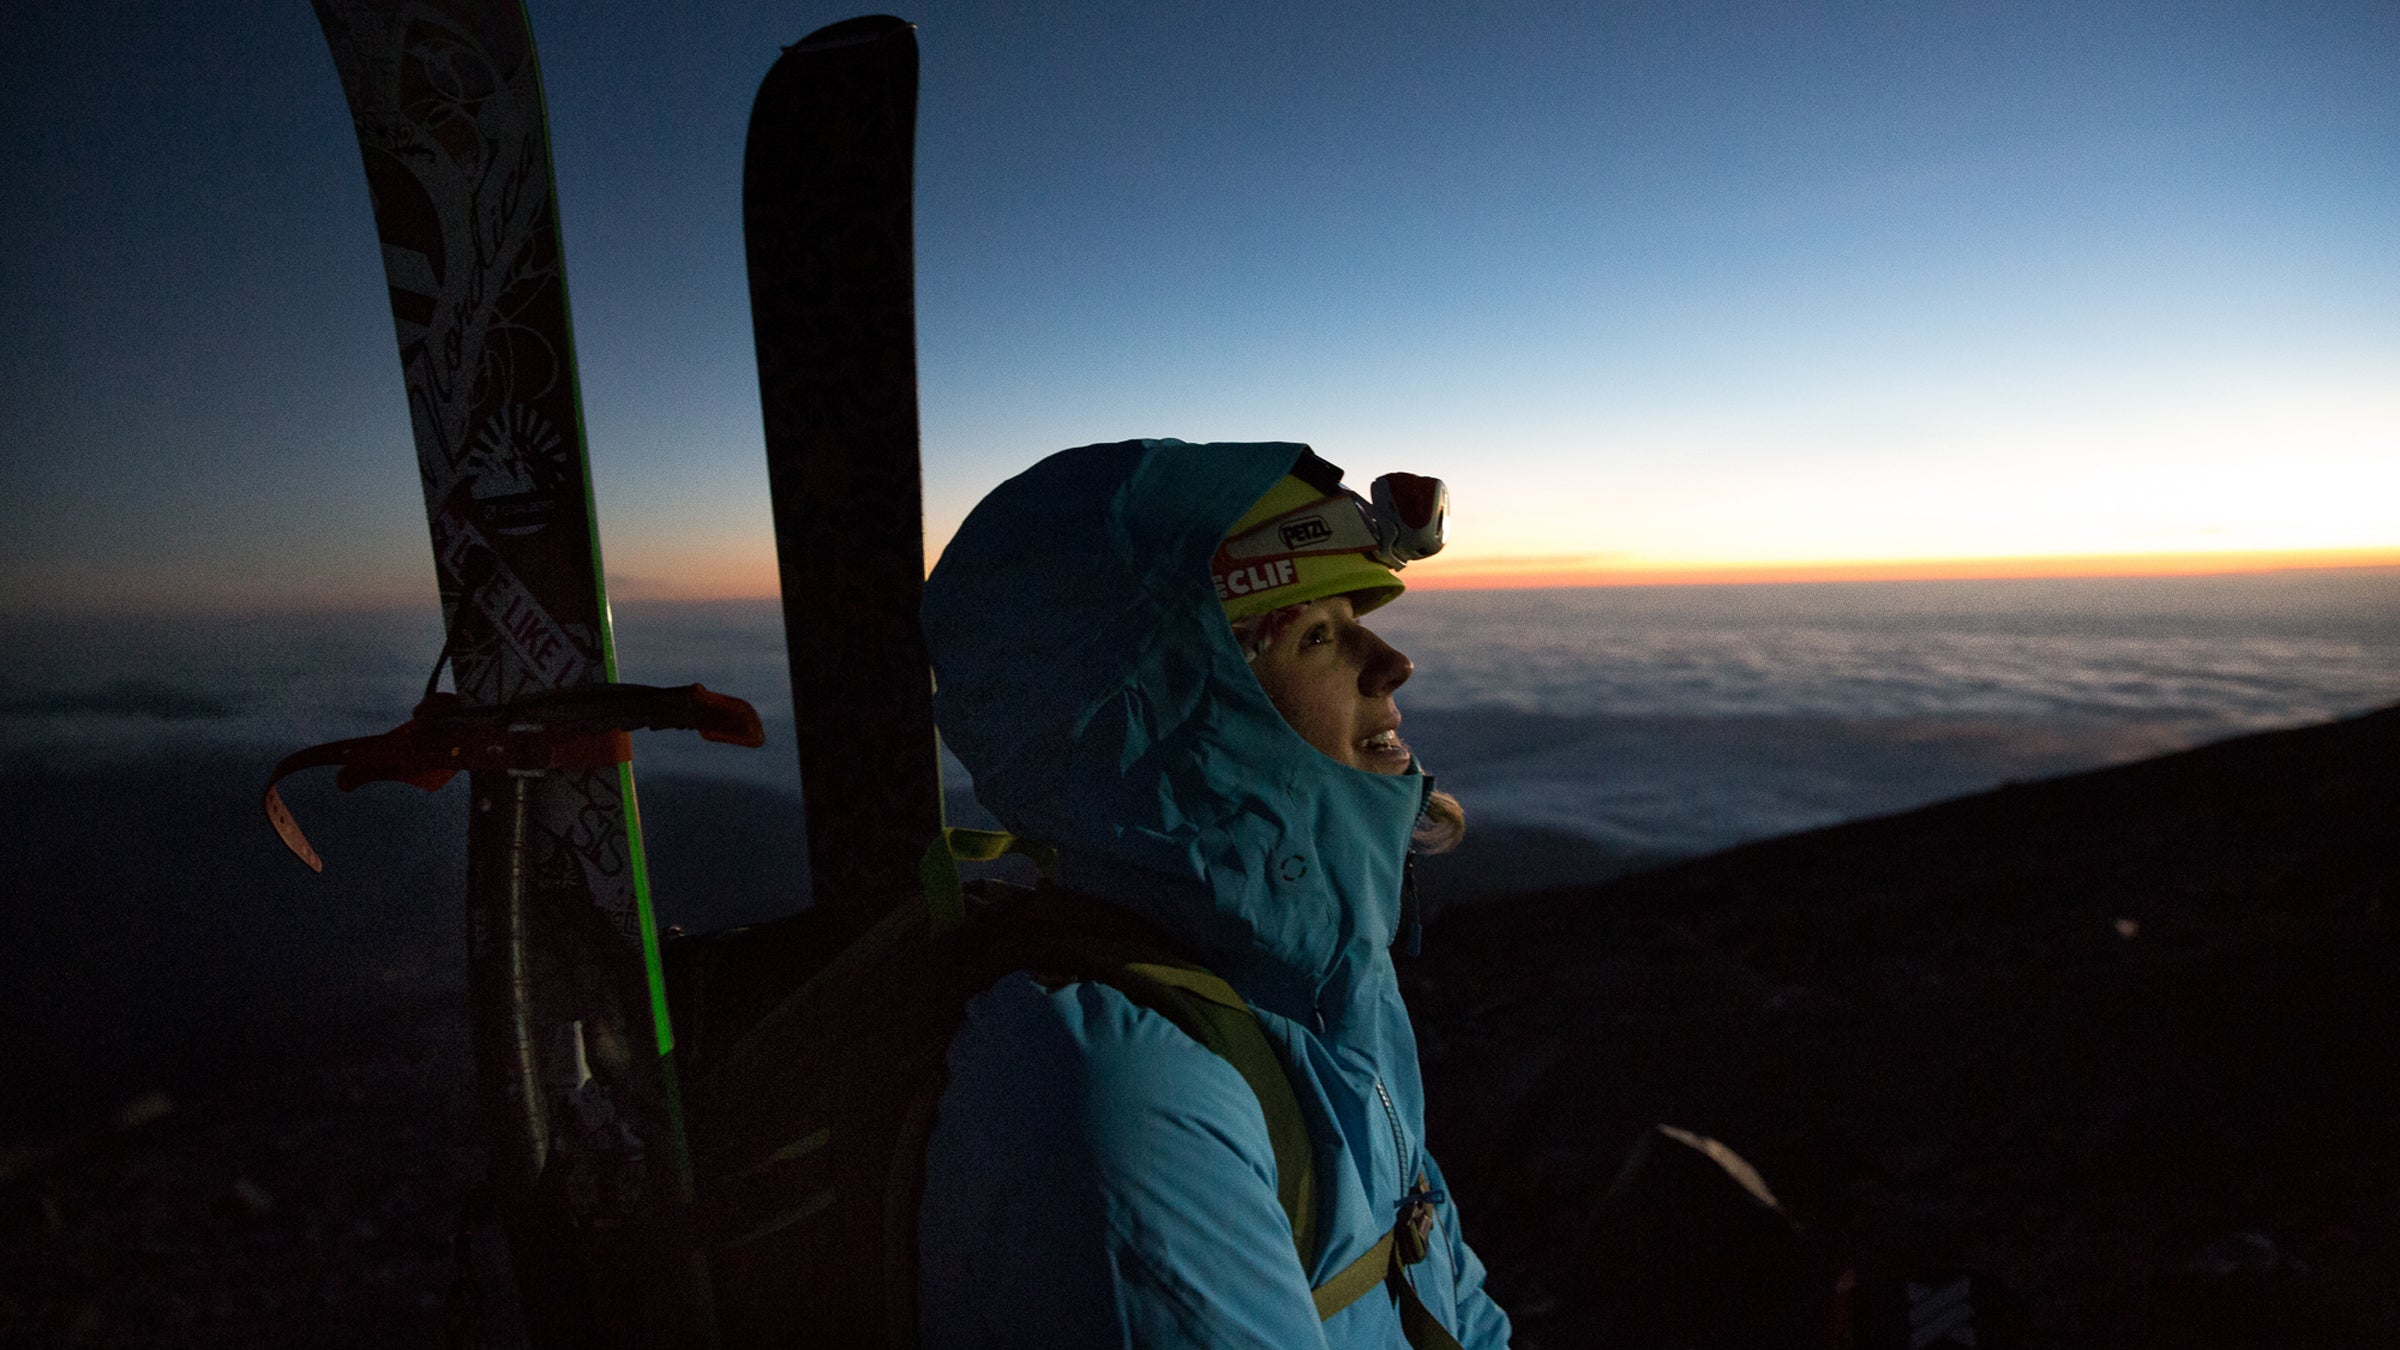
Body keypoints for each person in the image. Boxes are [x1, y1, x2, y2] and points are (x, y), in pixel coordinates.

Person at [914, 439, 1511, 1349]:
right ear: (1183, 721)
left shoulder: (1326, 989)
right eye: (1317, 634)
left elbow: (1441, 1284)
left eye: (1357, 615)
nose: (1393, 663)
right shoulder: (1118, 1100)